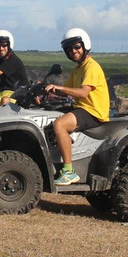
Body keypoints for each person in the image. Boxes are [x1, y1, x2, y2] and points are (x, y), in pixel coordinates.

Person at [47, 27, 110, 186]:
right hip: (81, 108)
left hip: (93, 112)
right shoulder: (77, 69)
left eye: (77, 47)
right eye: (69, 49)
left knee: (60, 124)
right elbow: (67, 91)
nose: (73, 51)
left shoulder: (91, 67)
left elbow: (82, 93)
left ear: (84, 45)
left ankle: (69, 171)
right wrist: (47, 91)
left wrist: (60, 88)